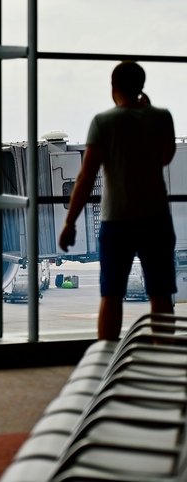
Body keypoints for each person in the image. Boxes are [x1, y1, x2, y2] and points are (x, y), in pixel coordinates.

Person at [59, 61, 176, 340]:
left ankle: (106, 357)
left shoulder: (104, 122)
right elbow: (165, 159)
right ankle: (163, 360)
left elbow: (86, 178)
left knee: (111, 296)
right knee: (160, 296)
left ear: (113, 86)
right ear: (141, 86)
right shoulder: (161, 117)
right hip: (156, 218)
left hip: (118, 221)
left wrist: (70, 222)